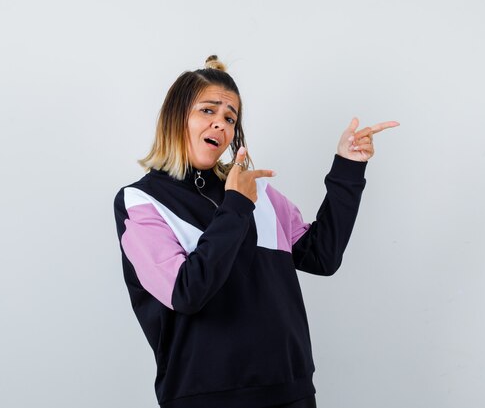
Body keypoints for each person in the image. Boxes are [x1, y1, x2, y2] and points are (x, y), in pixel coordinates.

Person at [113, 55, 398, 408]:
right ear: (176, 115)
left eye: (230, 118)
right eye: (208, 111)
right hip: (205, 396)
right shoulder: (142, 200)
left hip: (289, 391)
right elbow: (186, 292)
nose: (221, 124)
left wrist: (348, 169)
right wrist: (235, 205)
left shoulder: (255, 191)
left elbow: (323, 256)